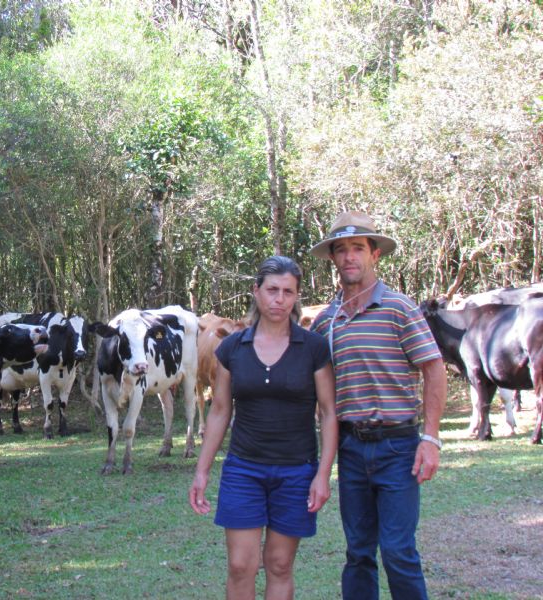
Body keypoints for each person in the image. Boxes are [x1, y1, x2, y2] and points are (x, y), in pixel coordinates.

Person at [308, 211, 447, 600]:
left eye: (357, 248)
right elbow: (318, 394)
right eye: (341, 250)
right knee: (358, 553)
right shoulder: (325, 322)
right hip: (351, 449)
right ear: (333, 259)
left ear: (374, 255)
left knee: (399, 551)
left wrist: (431, 439)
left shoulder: (400, 309)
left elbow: (434, 370)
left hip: (398, 448)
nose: (349, 257)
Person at [189, 256, 337, 600]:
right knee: (241, 565)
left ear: (296, 296)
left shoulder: (313, 349)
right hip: (244, 470)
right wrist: (202, 471)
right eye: (272, 290)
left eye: (288, 292)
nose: (279, 299)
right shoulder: (231, 349)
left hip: (297, 471)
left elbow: (329, 413)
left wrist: (323, 474)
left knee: (279, 564)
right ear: (256, 292)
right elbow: (220, 412)